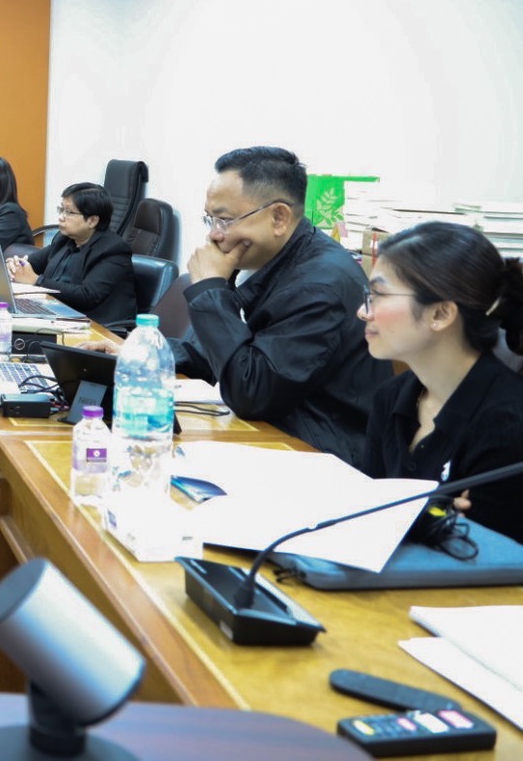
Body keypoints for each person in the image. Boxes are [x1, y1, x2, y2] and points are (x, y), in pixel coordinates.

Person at [87, 146, 388, 462]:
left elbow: (250, 392)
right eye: (210, 219)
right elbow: (217, 355)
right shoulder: (273, 260)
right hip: (272, 436)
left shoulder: (320, 284)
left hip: (318, 454)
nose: (214, 236)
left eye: (225, 220)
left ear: (279, 217)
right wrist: (145, 355)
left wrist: (209, 289)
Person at [357, 222, 523, 542]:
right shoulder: (391, 397)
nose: (363, 312)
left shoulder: (507, 425)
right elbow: (368, 517)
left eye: (377, 295)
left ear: (441, 314)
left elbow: (486, 556)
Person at [7, 182, 135, 325]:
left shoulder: (114, 249)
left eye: (69, 212)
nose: (61, 217)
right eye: (61, 209)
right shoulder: (63, 239)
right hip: (56, 314)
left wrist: (37, 281)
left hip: (94, 326)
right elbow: (31, 263)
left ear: (92, 220)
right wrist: (16, 265)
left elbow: (87, 296)